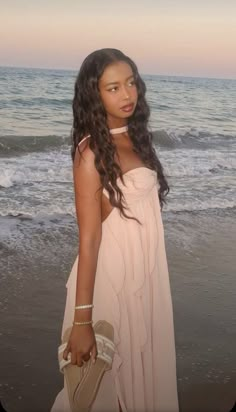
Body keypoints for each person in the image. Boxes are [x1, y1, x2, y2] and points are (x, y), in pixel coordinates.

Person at [51, 48, 179, 412]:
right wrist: (82, 320)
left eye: (131, 83)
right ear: (95, 94)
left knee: (138, 381)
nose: (127, 94)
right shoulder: (90, 153)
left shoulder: (139, 139)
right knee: (102, 389)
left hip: (145, 275)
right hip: (109, 281)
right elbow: (89, 239)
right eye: (113, 88)